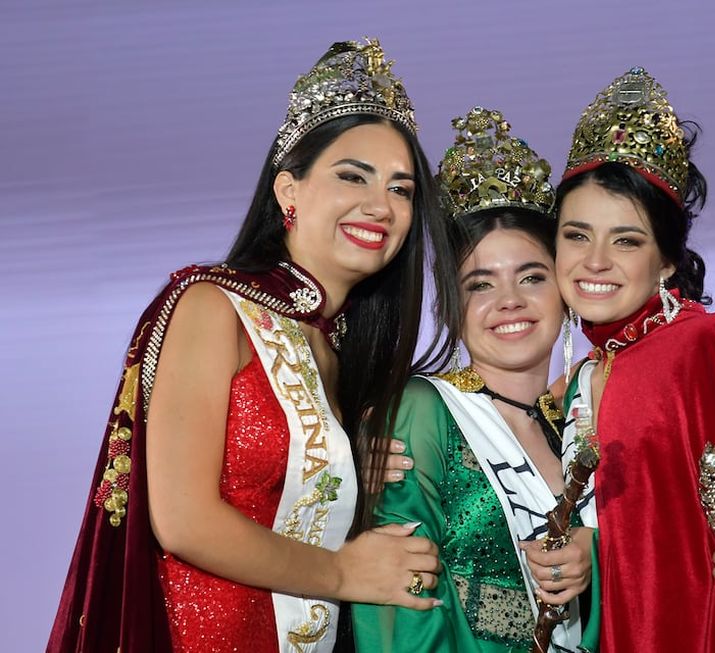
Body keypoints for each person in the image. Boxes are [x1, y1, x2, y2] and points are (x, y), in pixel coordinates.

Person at [47, 38, 450, 653]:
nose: (381, 205)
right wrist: (344, 574)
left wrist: (350, 469)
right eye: (352, 176)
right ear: (289, 190)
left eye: (402, 189)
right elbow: (183, 519)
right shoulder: (215, 307)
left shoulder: (338, 352)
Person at [554, 67, 715, 652]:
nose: (595, 261)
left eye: (626, 240)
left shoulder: (707, 346)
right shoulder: (585, 375)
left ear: (667, 261)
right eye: (576, 235)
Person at [353, 107, 596, 652]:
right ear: (450, 306)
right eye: (480, 285)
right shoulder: (423, 410)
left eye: (532, 277)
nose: (509, 300)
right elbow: (401, 601)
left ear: (565, 289)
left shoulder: (579, 421)